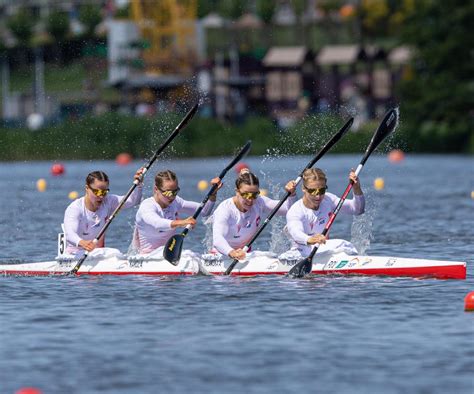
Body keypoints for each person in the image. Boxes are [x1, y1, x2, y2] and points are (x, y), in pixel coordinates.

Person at [212, 169, 297, 260]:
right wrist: (232, 252)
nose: (250, 200)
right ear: (237, 191)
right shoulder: (225, 209)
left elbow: (289, 210)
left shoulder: (260, 202)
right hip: (222, 255)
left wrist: (292, 194)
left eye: (254, 195)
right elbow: (217, 240)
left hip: (245, 254)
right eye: (246, 195)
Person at [134, 170, 222, 254]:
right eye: (168, 193)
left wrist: (213, 194)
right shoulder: (147, 206)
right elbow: (157, 223)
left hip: (168, 254)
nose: (172, 196)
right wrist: (182, 222)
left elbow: (204, 211)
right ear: (156, 189)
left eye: (175, 191)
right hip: (148, 257)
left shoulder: (176, 202)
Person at [285, 168, 365, 257]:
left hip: (322, 250)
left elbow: (357, 209)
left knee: (344, 246)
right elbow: (296, 233)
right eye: (313, 191)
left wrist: (356, 187)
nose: (318, 196)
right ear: (304, 188)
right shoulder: (296, 210)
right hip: (300, 253)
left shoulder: (329, 200)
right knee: (344, 244)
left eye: (322, 190)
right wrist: (310, 239)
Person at [63, 168, 144, 255]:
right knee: (114, 253)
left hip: (98, 254)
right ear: (87, 188)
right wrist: (83, 243)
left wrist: (138, 185)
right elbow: (69, 235)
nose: (101, 196)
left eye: (104, 192)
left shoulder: (108, 201)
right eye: (97, 192)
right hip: (74, 254)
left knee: (116, 253)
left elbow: (133, 201)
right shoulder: (75, 208)